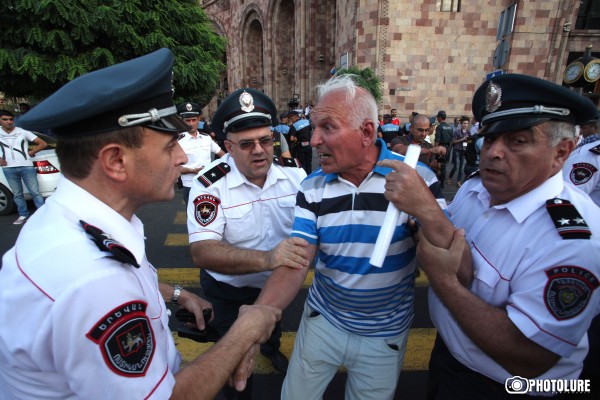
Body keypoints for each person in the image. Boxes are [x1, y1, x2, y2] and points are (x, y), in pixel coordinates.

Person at [0, 48, 281, 399]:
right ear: (116, 160)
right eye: (169, 146)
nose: (182, 158)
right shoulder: (93, 281)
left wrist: (176, 294)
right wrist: (244, 331)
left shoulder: (74, 222)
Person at [255, 73, 470, 400]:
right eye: (314, 128)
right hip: (321, 322)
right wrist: (258, 317)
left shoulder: (417, 177)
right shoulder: (312, 186)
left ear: (367, 132)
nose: (314, 140)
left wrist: (424, 207)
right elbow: (297, 260)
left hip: (384, 336)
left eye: (327, 127)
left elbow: (455, 264)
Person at [407, 73, 600, 399]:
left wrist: (444, 281)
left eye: (517, 141)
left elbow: (529, 356)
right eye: (491, 137)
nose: (493, 152)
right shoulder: (474, 188)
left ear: (562, 152)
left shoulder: (574, 239)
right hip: (448, 360)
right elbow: (448, 244)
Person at [187, 88, 307, 399]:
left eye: (265, 140)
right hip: (229, 291)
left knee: (272, 328)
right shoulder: (209, 185)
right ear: (227, 147)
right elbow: (202, 252)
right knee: (236, 361)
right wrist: (268, 258)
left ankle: (271, 346)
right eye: (246, 144)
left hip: (274, 286)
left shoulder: (294, 178)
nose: (259, 150)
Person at [0, 109, 47, 224]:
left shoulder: (22, 132)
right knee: (17, 194)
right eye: (5, 119)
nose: (9, 122)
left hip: (26, 166)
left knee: (35, 192)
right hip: (8, 168)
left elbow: (43, 143)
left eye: (11, 119)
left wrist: (30, 153)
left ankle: (43, 215)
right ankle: (23, 215)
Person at [177, 101, 225, 205]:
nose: (191, 123)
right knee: (192, 216)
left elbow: (222, 154)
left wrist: (220, 170)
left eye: (194, 120)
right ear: (182, 121)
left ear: (198, 119)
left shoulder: (206, 138)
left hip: (209, 183)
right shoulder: (178, 142)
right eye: (187, 120)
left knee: (211, 213)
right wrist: (192, 171)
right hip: (190, 185)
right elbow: (175, 167)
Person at [563, 113, 600, 206]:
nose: (580, 132)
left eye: (583, 128)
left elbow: (570, 196)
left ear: (595, 128)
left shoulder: (590, 154)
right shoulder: (590, 153)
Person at [447, 116, 469, 186]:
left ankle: (458, 181)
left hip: (464, 151)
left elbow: (470, 141)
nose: (465, 125)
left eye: (467, 123)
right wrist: (462, 139)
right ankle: (450, 178)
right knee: (456, 166)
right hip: (457, 150)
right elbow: (453, 141)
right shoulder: (457, 132)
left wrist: (469, 140)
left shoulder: (469, 132)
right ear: (461, 124)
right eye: (464, 123)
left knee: (461, 167)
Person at [288, 110, 312, 174]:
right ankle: (309, 177)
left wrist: (296, 138)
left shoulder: (294, 126)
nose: (291, 120)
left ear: (293, 117)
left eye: (291, 119)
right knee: (308, 163)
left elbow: (291, 138)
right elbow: (310, 131)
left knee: (302, 163)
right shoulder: (307, 121)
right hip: (309, 146)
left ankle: (304, 178)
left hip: (300, 147)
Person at [434, 110, 454, 188]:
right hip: (447, 148)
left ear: (440, 118)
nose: (437, 119)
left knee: (438, 165)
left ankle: (437, 181)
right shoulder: (450, 127)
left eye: (437, 117)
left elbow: (437, 140)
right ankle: (442, 182)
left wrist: (434, 150)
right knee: (444, 165)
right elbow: (452, 140)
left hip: (440, 147)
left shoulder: (439, 127)